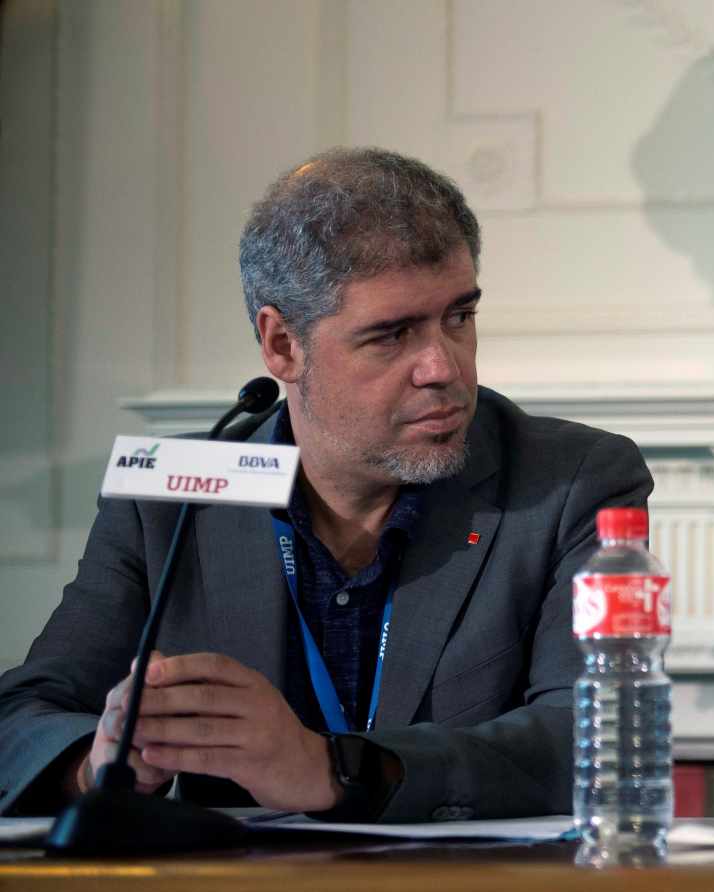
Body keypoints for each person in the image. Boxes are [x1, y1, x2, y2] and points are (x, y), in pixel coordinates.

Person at [0, 148, 653, 822]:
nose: (442, 367)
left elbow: (603, 736)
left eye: (459, 317)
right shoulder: (173, 498)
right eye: (392, 335)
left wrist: (333, 770)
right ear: (282, 345)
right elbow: (20, 718)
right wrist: (100, 759)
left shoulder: (571, 482)